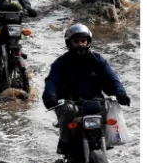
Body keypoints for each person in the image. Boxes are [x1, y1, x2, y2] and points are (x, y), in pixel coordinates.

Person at [42, 24, 130, 154]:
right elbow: (51, 81)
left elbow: (112, 78)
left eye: (83, 41)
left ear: (88, 41)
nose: (80, 44)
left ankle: (104, 140)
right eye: (76, 41)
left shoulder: (98, 59)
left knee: (110, 108)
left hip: (95, 100)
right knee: (67, 112)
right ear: (69, 43)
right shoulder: (61, 63)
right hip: (70, 102)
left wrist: (121, 93)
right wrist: (50, 96)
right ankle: (64, 143)